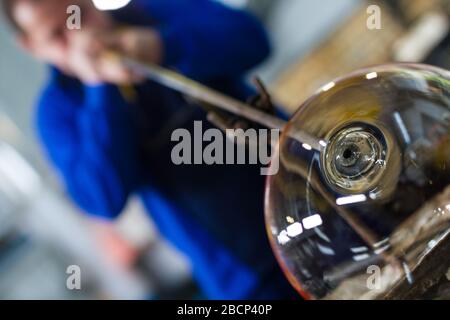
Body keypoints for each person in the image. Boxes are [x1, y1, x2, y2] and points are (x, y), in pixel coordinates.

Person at [2, 0, 297, 299]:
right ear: (31, 45)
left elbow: (253, 39)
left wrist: (163, 46)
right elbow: (103, 199)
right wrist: (99, 87)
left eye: (79, 14)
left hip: (309, 199)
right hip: (246, 280)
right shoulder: (58, 110)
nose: (79, 35)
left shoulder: (159, 12)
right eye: (56, 35)